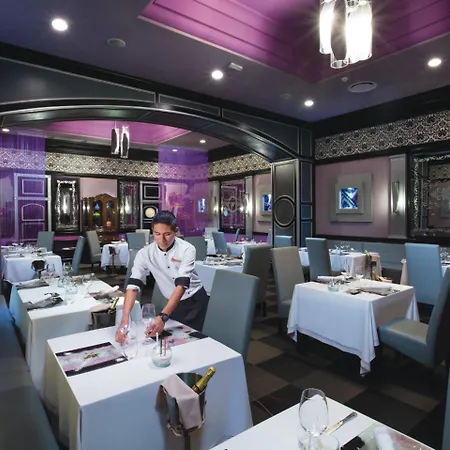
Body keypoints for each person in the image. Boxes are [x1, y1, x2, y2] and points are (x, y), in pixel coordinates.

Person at [116, 210, 209, 343]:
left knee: (193, 343)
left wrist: (163, 316)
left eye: (167, 234)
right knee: (172, 343)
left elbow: (181, 286)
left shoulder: (187, 249)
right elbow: (133, 286)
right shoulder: (145, 253)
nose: (161, 240)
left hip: (195, 301)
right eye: (157, 234)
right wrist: (125, 318)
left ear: (176, 231)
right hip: (171, 303)